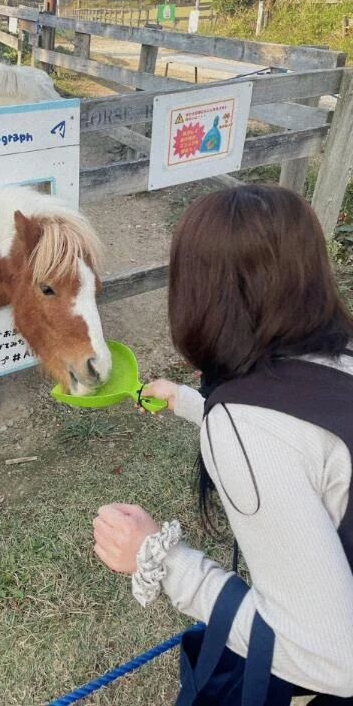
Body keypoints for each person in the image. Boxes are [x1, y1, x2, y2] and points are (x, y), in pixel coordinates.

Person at [93, 185, 353, 704]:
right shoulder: (341, 353)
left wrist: (159, 559)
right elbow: (308, 439)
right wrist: (195, 404)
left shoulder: (247, 430)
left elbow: (335, 658)